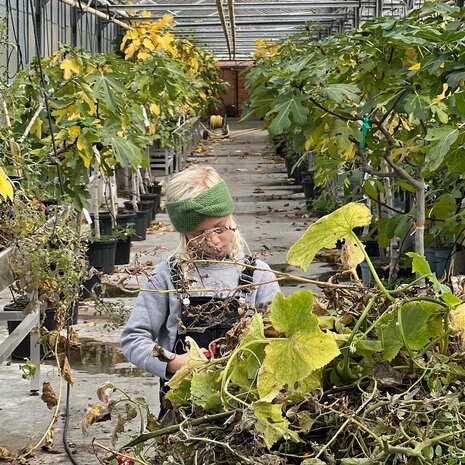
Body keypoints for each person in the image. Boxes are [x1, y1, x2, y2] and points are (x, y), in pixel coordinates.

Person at [120, 165, 279, 395]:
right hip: (183, 407)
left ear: (230, 218)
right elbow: (133, 339)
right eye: (199, 235)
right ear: (184, 232)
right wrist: (172, 362)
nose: (213, 240)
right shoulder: (166, 277)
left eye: (219, 228)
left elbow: (276, 333)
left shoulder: (258, 275)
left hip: (244, 399)